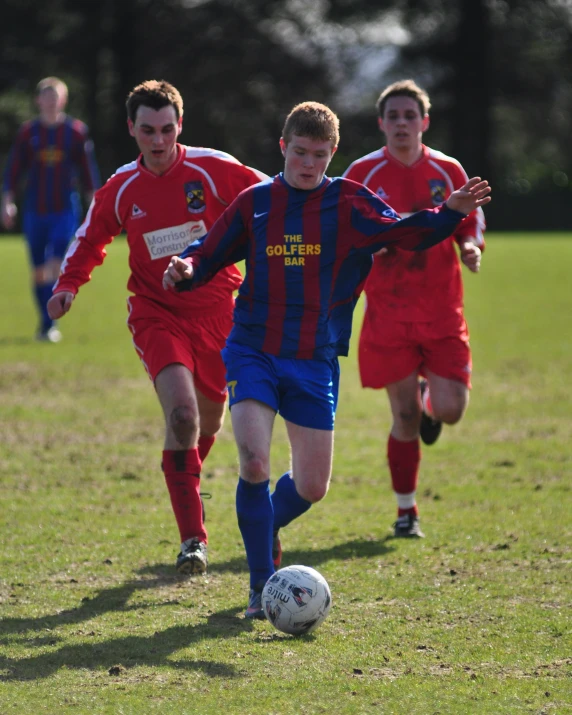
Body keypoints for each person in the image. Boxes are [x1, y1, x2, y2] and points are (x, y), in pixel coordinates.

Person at [162, 101, 491, 618]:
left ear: (332, 153)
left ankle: (265, 526)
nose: (308, 163)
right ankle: (258, 588)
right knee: (254, 461)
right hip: (253, 350)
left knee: (313, 486)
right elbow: (210, 250)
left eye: (319, 154)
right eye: (299, 152)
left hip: (313, 360)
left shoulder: (350, 204)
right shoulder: (256, 202)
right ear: (283, 148)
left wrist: (449, 212)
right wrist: (187, 267)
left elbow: (406, 232)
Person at [47, 80, 266, 575]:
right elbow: (90, 236)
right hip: (156, 313)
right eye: (148, 130)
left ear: (180, 126)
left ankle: (187, 479)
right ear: (132, 129)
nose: (159, 140)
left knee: (208, 425)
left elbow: (276, 194)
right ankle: (193, 538)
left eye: (167, 129)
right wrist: (69, 285)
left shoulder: (215, 168)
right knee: (184, 418)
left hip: (220, 316)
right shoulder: (123, 186)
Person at [342, 79, 486, 539]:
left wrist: (471, 247)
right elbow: (348, 229)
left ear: (424, 122)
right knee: (403, 417)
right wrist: (369, 247)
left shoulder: (447, 169)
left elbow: (470, 218)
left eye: (410, 116)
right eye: (393, 117)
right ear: (381, 123)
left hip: (443, 310)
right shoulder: (362, 173)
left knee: (450, 410)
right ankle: (406, 511)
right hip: (388, 313)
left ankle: (431, 398)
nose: (402, 124)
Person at [1, 76, 101, 342]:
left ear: (63, 100)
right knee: (38, 270)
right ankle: (45, 322)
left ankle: (50, 324)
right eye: (46, 97)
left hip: (64, 208)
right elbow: (13, 170)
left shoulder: (76, 131)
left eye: (55, 97)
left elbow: (88, 170)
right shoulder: (27, 132)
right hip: (35, 209)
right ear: (38, 100)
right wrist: (7, 201)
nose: (50, 102)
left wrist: (95, 202)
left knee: (56, 262)